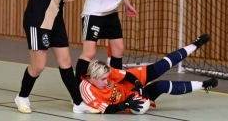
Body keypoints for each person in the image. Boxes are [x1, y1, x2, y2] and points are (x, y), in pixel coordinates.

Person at [79, 34, 218, 114]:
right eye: (103, 80)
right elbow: (107, 109)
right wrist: (125, 104)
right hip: (129, 98)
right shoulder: (87, 90)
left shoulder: (104, 70)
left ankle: (194, 45)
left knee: (160, 66)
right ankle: (203, 85)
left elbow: (126, 75)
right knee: (162, 86)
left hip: (128, 84)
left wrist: (138, 84)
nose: (106, 81)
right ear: (92, 78)